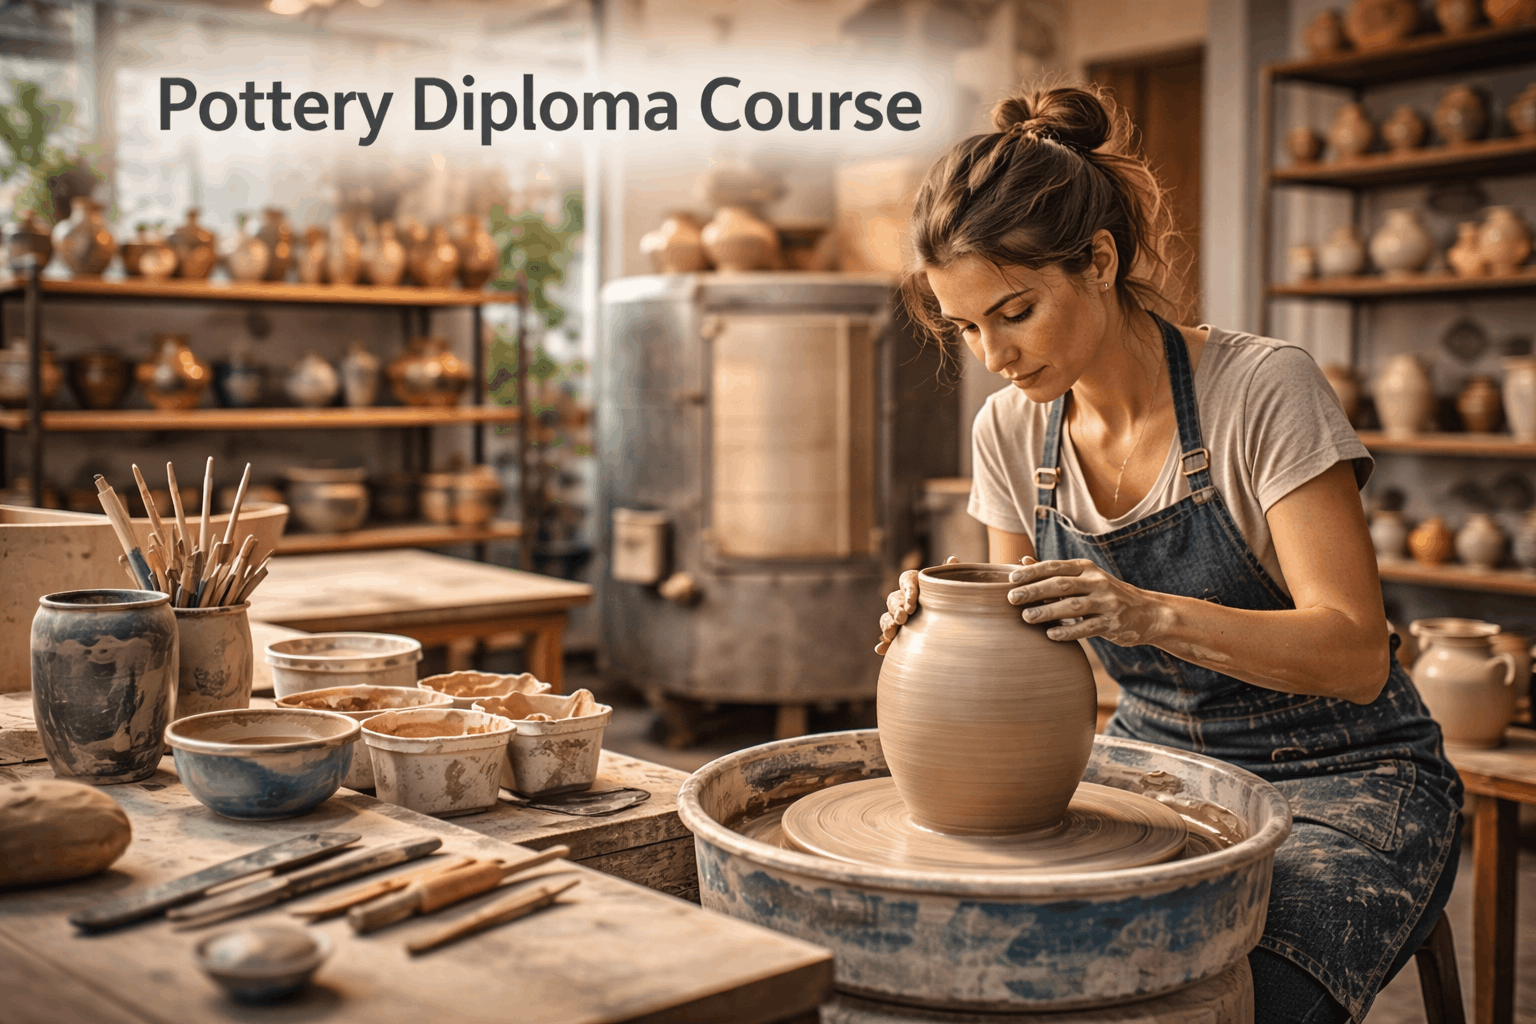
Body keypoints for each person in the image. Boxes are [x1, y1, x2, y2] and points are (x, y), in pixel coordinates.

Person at [876, 84, 1462, 1024]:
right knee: (1009, 973)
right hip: (1150, 767)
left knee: (1227, 998)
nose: (993, 356)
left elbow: (1357, 655)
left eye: (1015, 312)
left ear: (1100, 261)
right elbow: (1024, 641)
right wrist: (944, 617)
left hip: (1346, 776)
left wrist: (1147, 613)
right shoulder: (1007, 431)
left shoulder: (1262, 389)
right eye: (966, 327)